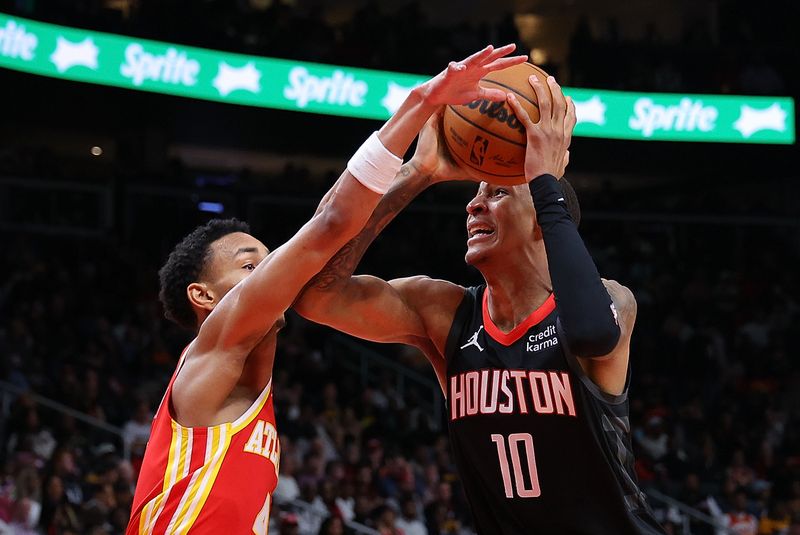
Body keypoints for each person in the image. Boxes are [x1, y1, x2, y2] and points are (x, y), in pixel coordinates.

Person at [125, 44, 527, 535]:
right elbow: (332, 223)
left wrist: (419, 171)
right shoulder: (215, 348)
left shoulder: (242, 381)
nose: (274, 273)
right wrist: (420, 106)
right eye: (253, 266)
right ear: (204, 297)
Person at [295, 74, 665, 533]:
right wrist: (417, 173)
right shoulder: (444, 313)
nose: (473, 206)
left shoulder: (614, 300)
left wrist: (544, 178)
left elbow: (591, 331)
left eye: (498, 193)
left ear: (544, 222)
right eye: (475, 194)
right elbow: (313, 292)